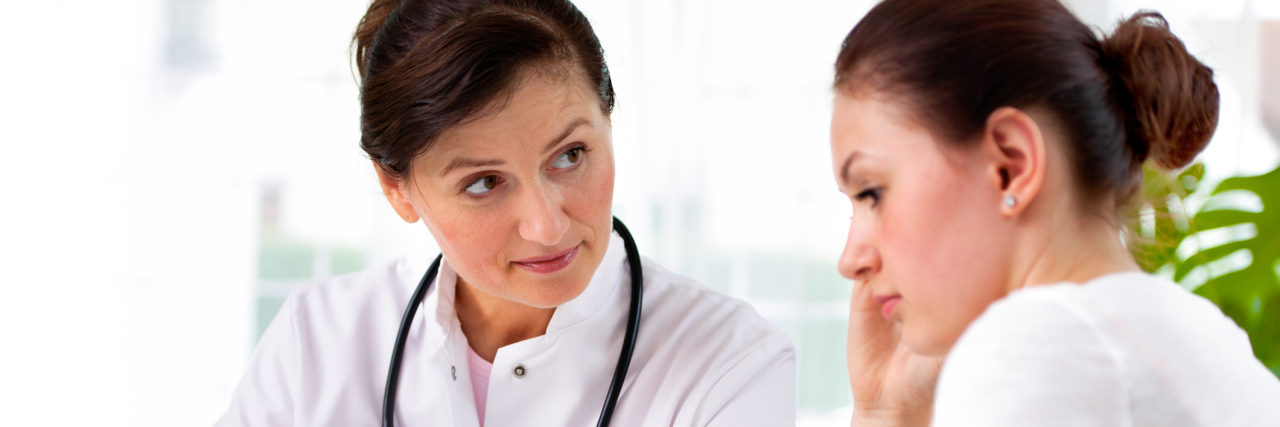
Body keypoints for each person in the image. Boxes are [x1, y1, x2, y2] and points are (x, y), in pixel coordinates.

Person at [215, 1, 795, 425]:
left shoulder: (729, 364)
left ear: (608, 121)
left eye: (570, 155)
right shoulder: (316, 343)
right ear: (396, 188)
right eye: (484, 183)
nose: (547, 225)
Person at [826, 0, 1280, 425]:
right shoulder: (1192, 336)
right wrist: (886, 411)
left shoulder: (1046, 348)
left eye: (872, 192)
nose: (852, 260)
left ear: (1011, 165)